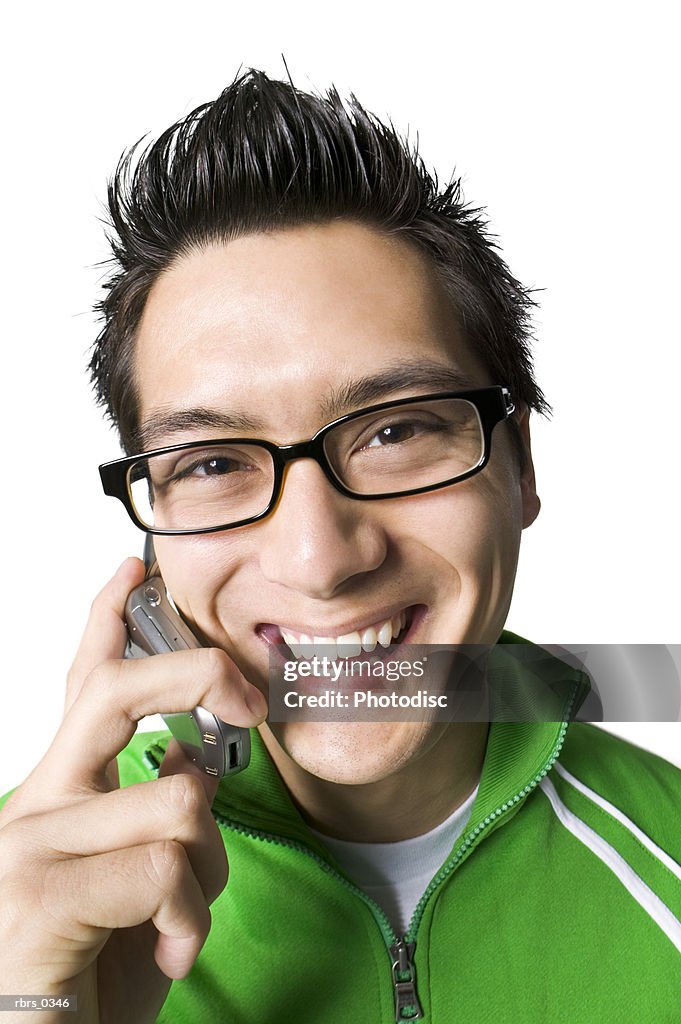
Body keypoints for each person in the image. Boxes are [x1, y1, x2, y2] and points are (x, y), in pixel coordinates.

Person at [0, 70, 679, 1023]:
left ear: (517, 464)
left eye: (394, 431)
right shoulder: (19, 907)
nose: (319, 558)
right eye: (212, 464)